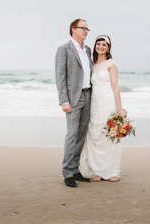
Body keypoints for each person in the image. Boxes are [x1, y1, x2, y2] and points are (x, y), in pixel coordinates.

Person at [79, 35, 125, 182]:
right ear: (95, 46)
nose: (101, 46)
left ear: (108, 47)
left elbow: (115, 86)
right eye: (98, 44)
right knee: (95, 134)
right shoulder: (91, 64)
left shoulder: (111, 64)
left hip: (108, 101)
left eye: (104, 44)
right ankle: (98, 171)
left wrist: (120, 108)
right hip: (94, 102)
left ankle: (112, 172)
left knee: (108, 134)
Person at [55, 19, 93, 188]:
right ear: (73, 29)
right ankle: (68, 173)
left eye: (87, 29)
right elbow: (60, 77)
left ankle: (75, 170)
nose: (85, 31)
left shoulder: (87, 50)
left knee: (81, 134)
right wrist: (64, 100)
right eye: (82, 28)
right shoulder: (64, 49)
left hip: (87, 96)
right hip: (72, 98)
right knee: (72, 134)